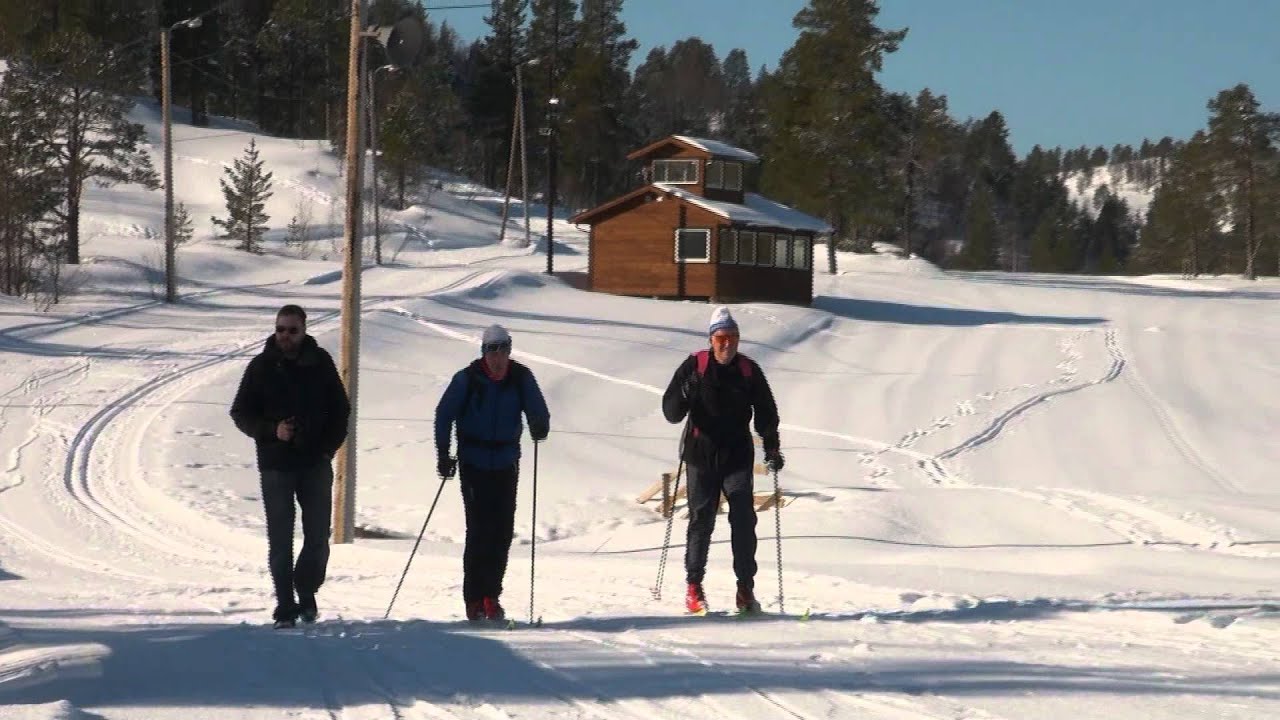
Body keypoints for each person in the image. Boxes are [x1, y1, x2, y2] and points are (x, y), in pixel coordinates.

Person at [230, 304, 351, 628]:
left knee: (317, 539)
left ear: (304, 330)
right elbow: (240, 413)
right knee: (280, 539)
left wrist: (327, 448)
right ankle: (285, 606)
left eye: (292, 330)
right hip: (276, 465)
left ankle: (306, 591)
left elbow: (342, 410)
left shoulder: (320, 362)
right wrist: (273, 431)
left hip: (314, 462)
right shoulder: (261, 367)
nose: (285, 335)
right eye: (280, 329)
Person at [662, 306, 783, 615]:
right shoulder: (694, 367)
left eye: (733, 337)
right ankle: (694, 587)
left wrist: (771, 448)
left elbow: (766, 411)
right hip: (701, 454)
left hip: (737, 454)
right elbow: (671, 412)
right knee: (701, 520)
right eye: (721, 338)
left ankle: (745, 589)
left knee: (743, 519)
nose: (727, 344)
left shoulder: (748, 370)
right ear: (711, 339)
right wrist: (685, 393)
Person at [435, 324, 550, 623]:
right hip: (473, 463)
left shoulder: (521, 377)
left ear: (510, 350)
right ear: (484, 352)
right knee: (479, 531)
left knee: (502, 532)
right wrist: (443, 454)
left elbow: (539, 409)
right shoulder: (467, 379)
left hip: (506, 462)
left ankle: (491, 596)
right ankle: (474, 599)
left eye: (504, 349)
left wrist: (540, 425)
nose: (498, 357)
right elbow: (443, 415)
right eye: (492, 350)